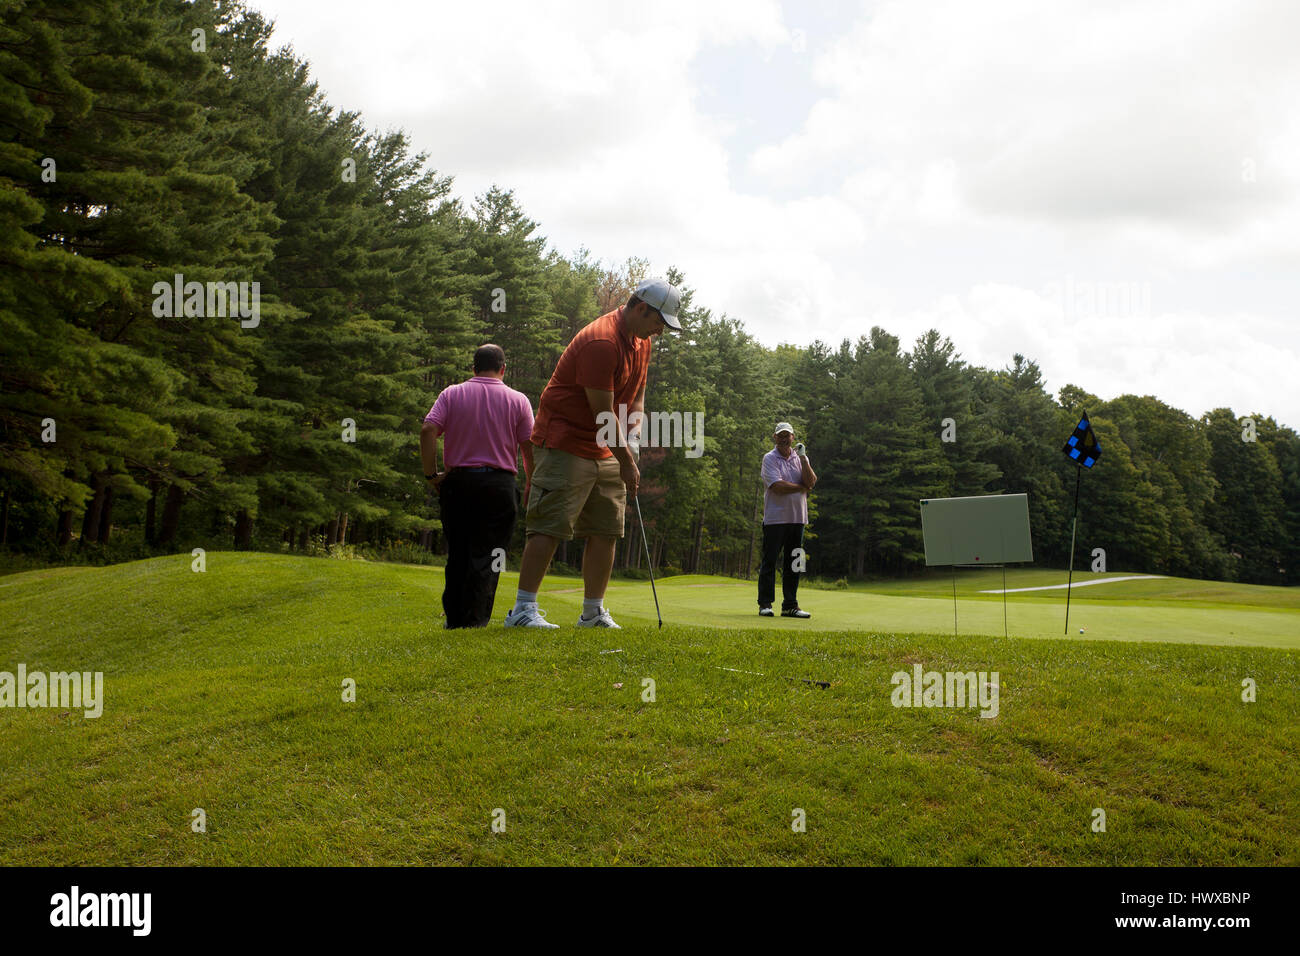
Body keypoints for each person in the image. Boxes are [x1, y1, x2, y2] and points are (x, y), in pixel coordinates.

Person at [505, 277, 683, 628]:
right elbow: (602, 412)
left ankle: (592, 612)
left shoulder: (641, 342)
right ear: (641, 308)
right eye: (658, 322)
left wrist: (632, 439)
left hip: (607, 446)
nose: (660, 332)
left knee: (606, 528)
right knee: (551, 525)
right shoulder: (601, 341)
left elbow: (637, 397)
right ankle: (522, 610)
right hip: (565, 440)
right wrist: (628, 461)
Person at [421, 344, 534, 628]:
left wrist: (430, 475)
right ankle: (476, 619)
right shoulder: (518, 400)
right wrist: (532, 480)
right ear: (503, 369)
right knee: (491, 554)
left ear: (473, 367)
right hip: (499, 485)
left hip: (459, 482)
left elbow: (428, 430)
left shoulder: (451, 394)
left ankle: (455, 618)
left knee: (458, 551)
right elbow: (529, 447)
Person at [758, 422, 817, 618]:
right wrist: (801, 487)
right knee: (770, 561)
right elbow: (777, 486)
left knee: (794, 563)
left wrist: (804, 460)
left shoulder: (800, 458)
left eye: (787, 435)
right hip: (775, 519)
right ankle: (765, 604)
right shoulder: (769, 458)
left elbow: (811, 482)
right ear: (775, 437)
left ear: (793, 437)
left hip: (798, 519)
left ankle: (790, 605)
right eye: (780, 435)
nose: (784, 438)